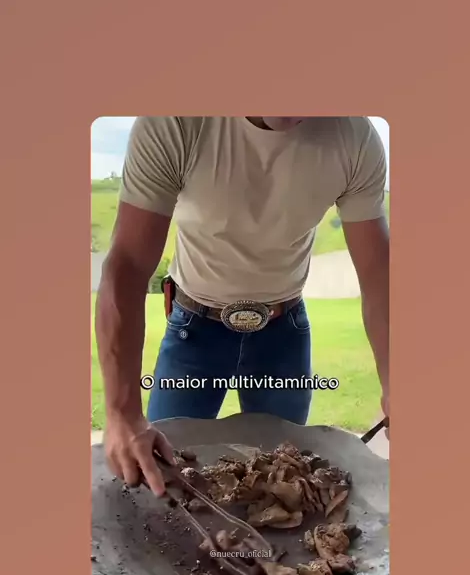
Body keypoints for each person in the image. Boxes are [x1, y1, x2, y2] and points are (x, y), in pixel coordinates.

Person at [95, 116, 389, 496]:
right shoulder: (175, 120)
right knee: (157, 477)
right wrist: (121, 412)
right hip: (194, 330)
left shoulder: (354, 136)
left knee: (286, 482)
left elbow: (380, 277)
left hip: (283, 335)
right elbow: (128, 266)